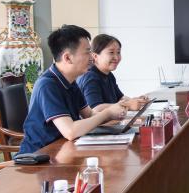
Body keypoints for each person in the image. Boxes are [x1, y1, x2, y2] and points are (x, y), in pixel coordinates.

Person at [19, 25, 126, 154]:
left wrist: (113, 113)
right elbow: (70, 131)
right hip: (40, 156)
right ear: (67, 58)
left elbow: (89, 115)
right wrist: (107, 113)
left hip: (63, 150)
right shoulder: (47, 85)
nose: (92, 57)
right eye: (87, 52)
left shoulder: (71, 82)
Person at [77, 34, 150, 112]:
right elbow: (95, 108)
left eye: (118, 52)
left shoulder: (109, 75)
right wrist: (128, 105)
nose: (116, 57)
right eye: (111, 52)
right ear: (95, 56)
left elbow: (120, 98)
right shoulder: (90, 77)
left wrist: (136, 101)